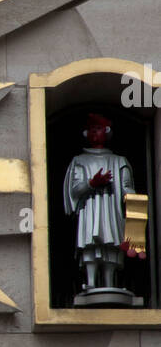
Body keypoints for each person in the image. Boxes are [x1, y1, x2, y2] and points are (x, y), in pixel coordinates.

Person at [63, 112, 134, 292]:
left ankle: (110, 284)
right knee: (90, 247)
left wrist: (133, 199)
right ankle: (91, 282)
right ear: (86, 133)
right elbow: (74, 190)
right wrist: (92, 183)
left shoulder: (119, 161)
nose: (95, 133)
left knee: (111, 246)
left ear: (106, 132)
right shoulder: (79, 161)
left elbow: (127, 187)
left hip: (111, 209)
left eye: (98, 129)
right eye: (92, 129)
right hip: (90, 209)